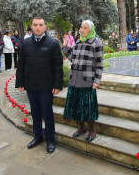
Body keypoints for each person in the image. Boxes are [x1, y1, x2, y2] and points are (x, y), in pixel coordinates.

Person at [15, 16, 63, 154]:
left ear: (45, 26)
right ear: (31, 26)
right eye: (35, 25)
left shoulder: (53, 43)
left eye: (40, 25)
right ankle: (37, 136)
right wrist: (20, 83)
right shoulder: (26, 43)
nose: (38, 27)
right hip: (31, 85)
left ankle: (50, 139)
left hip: (46, 86)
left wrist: (57, 85)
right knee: (35, 113)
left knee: (47, 114)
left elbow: (57, 66)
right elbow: (21, 64)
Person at [62, 20, 103, 142]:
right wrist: (65, 46)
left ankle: (92, 130)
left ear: (90, 30)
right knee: (76, 105)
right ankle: (81, 127)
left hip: (87, 81)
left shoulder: (96, 42)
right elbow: (73, 58)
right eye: (81, 27)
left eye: (85, 28)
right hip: (74, 80)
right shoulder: (78, 42)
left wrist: (97, 80)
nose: (82, 30)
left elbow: (100, 64)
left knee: (88, 107)